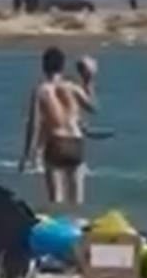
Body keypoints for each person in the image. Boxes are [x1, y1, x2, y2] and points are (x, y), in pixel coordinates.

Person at [19, 47, 97, 207]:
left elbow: (33, 124)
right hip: (75, 141)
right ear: (63, 66)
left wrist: (27, 155)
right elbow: (93, 107)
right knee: (77, 199)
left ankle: (59, 228)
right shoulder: (73, 87)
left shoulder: (41, 90)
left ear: (43, 66)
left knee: (57, 199)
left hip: (55, 142)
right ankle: (77, 226)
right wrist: (88, 80)